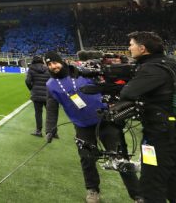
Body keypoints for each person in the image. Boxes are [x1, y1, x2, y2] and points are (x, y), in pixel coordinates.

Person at [43, 51, 140, 203]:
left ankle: (137, 195)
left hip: (105, 120)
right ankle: (92, 191)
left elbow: (108, 85)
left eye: (55, 62)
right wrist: (50, 129)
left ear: (62, 61)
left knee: (120, 157)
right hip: (82, 125)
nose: (53, 66)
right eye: (49, 64)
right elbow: (51, 107)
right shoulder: (50, 85)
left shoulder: (84, 72)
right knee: (87, 159)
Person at [119, 32, 176, 203]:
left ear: (142, 48)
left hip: (160, 135)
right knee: (175, 184)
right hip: (175, 131)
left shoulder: (153, 68)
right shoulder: (168, 64)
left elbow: (127, 92)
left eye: (131, 44)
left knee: (151, 185)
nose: (129, 48)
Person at [25, 55, 50, 137]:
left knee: (38, 113)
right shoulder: (47, 68)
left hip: (36, 94)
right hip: (47, 94)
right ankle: (52, 132)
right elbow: (51, 80)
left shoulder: (31, 68)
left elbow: (28, 81)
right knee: (50, 113)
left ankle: (38, 131)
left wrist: (32, 89)